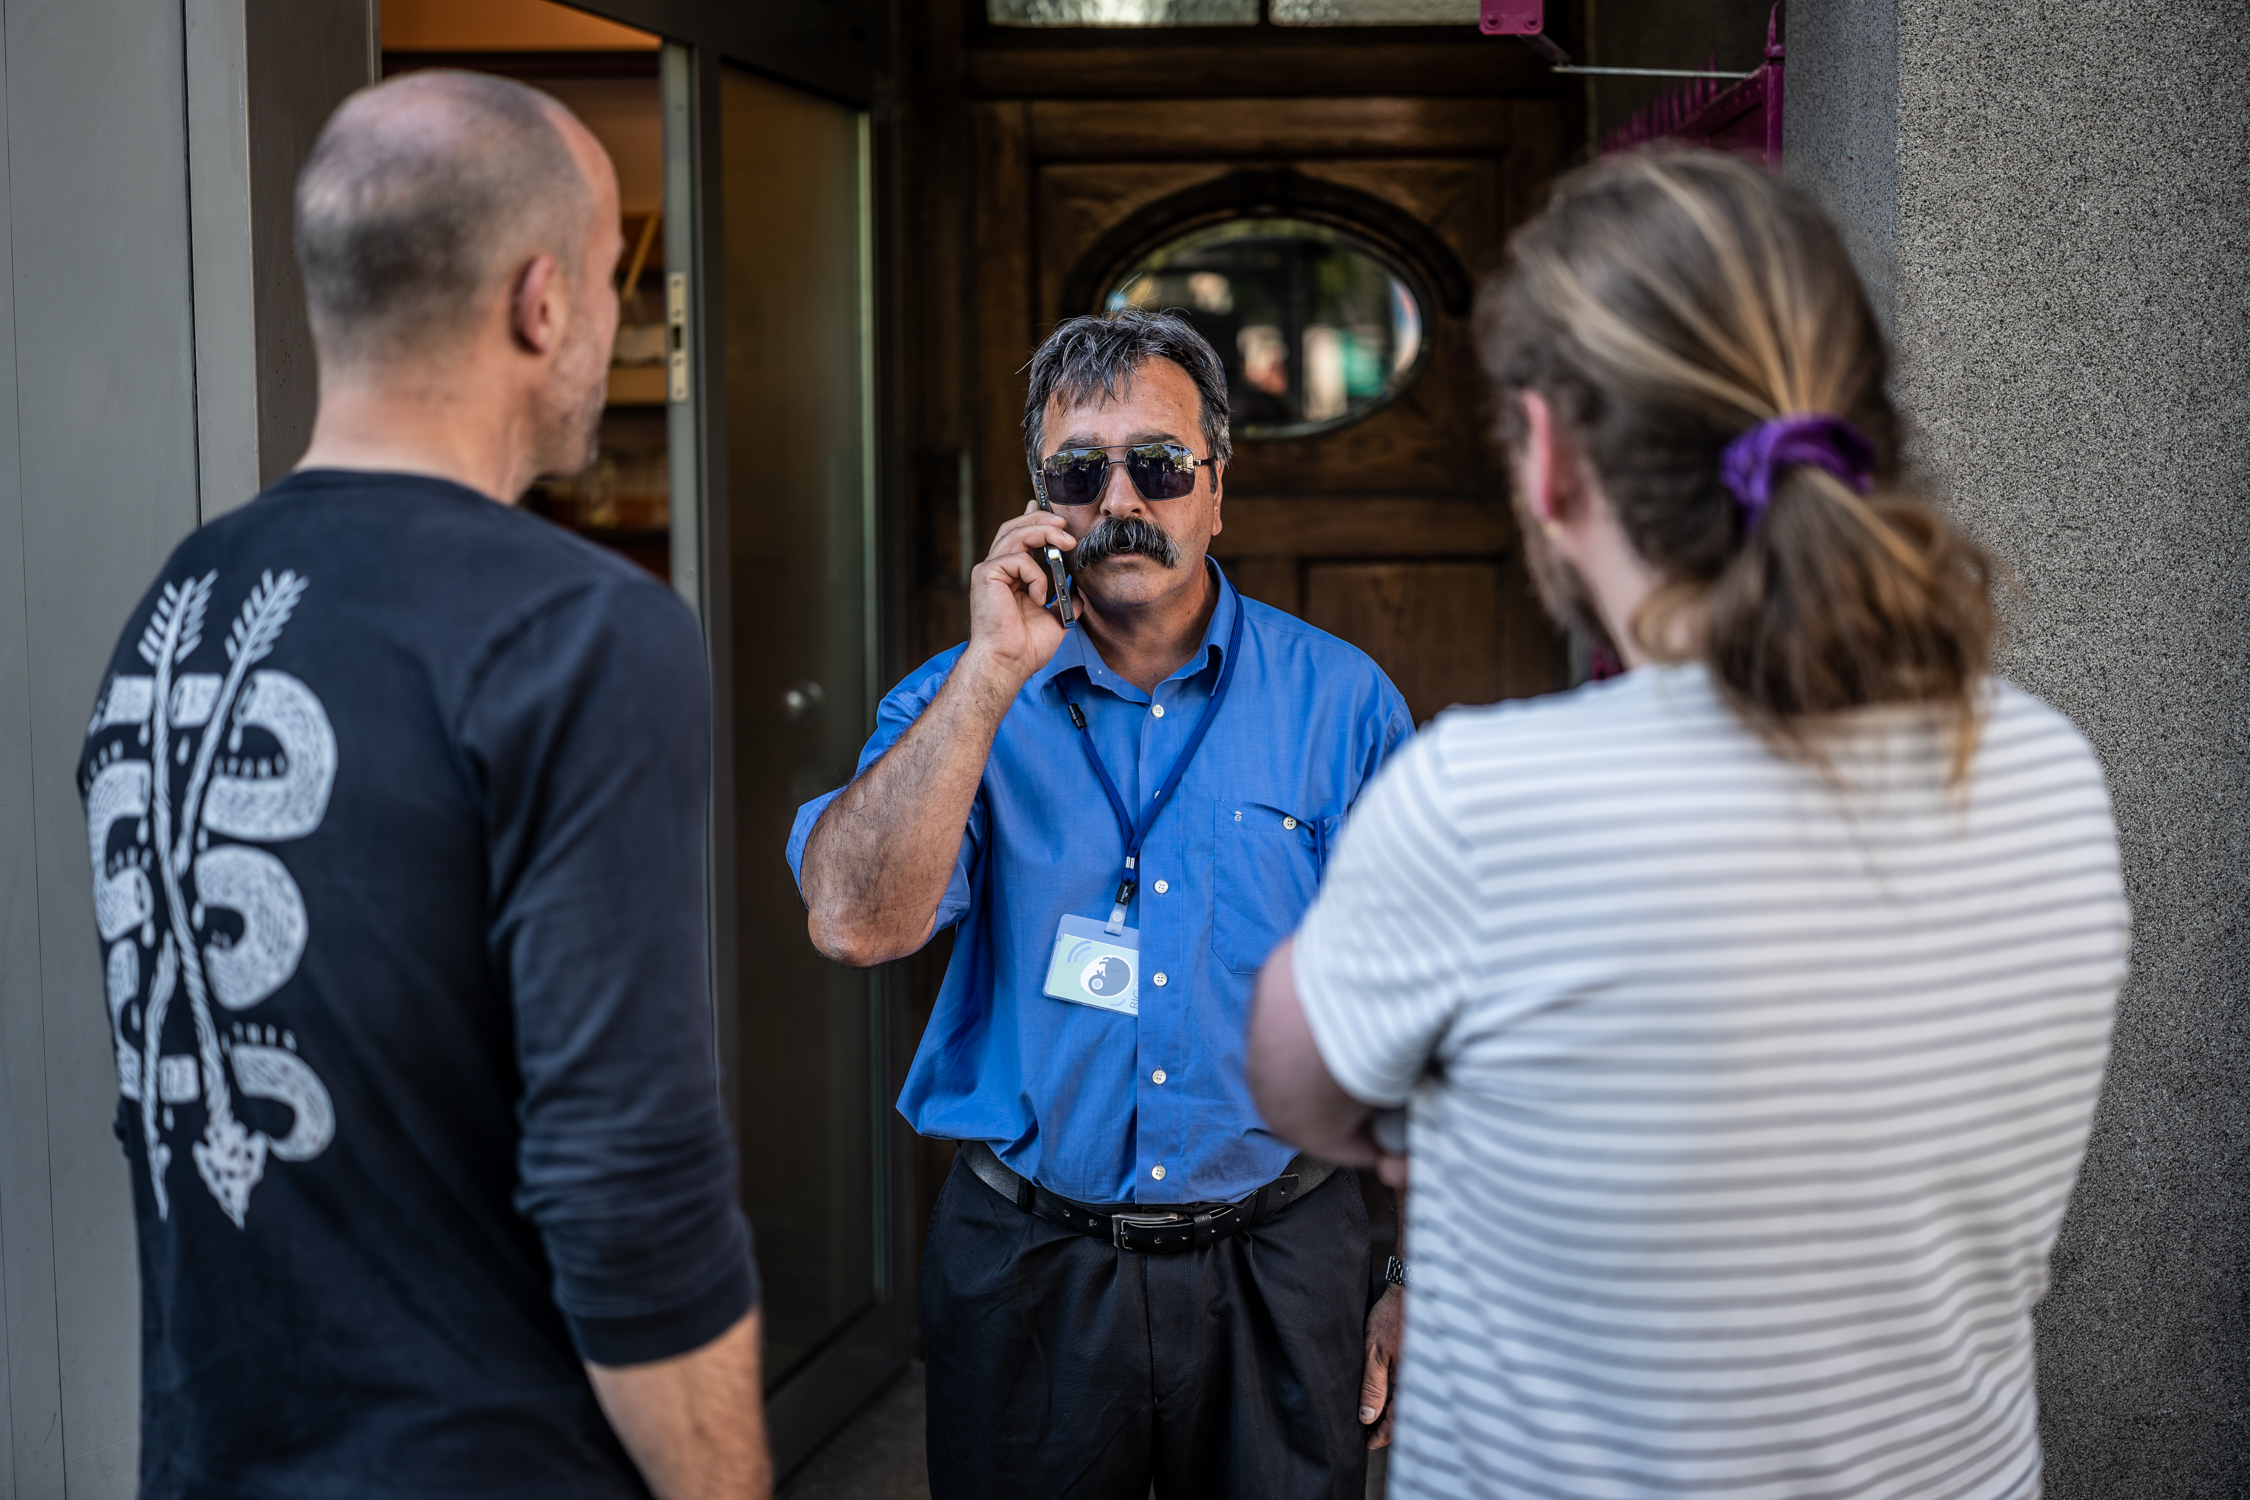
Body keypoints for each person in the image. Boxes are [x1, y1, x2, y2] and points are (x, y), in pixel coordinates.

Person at [1248, 149, 2130, 1500]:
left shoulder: (1485, 803)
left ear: (1548, 458)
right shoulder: (2044, 767)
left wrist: (1430, 1090)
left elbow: (1298, 1090)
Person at [77, 72, 768, 1499]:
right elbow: (627, 1189)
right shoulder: (579, 631)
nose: (610, 317)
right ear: (542, 302)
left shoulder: (175, 611)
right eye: (608, 279)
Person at [791, 310, 1414, 1499]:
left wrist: (1413, 1274)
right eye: (1080, 471)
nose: (1121, 498)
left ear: (1218, 489)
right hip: (1030, 1263)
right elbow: (853, 924)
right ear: (1042, 502)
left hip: (1283, 1259)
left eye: (1161, 466)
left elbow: (1426, 1015)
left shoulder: (1344, 704)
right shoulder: (955, 701)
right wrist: (990, 675)